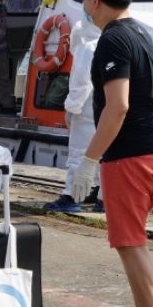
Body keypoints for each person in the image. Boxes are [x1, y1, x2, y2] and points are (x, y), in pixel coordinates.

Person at [69, 0, 153, 307]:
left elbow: (118, 107)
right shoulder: (138, 33)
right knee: (130, 242)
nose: (86, 10)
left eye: (85, 2)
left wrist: (88, 160)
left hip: (129, 154)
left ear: (96, 0)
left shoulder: (113, 40)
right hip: (146, 149)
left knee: (131, 244)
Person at [45, 16, 103, 214]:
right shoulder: (108, 43)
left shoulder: (86, 49)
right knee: (103, 155)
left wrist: (71, 109)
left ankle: (71, 196)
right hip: (104, 110)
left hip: (86, 110)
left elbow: (81, 84)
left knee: (79, 153)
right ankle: (103, 199)